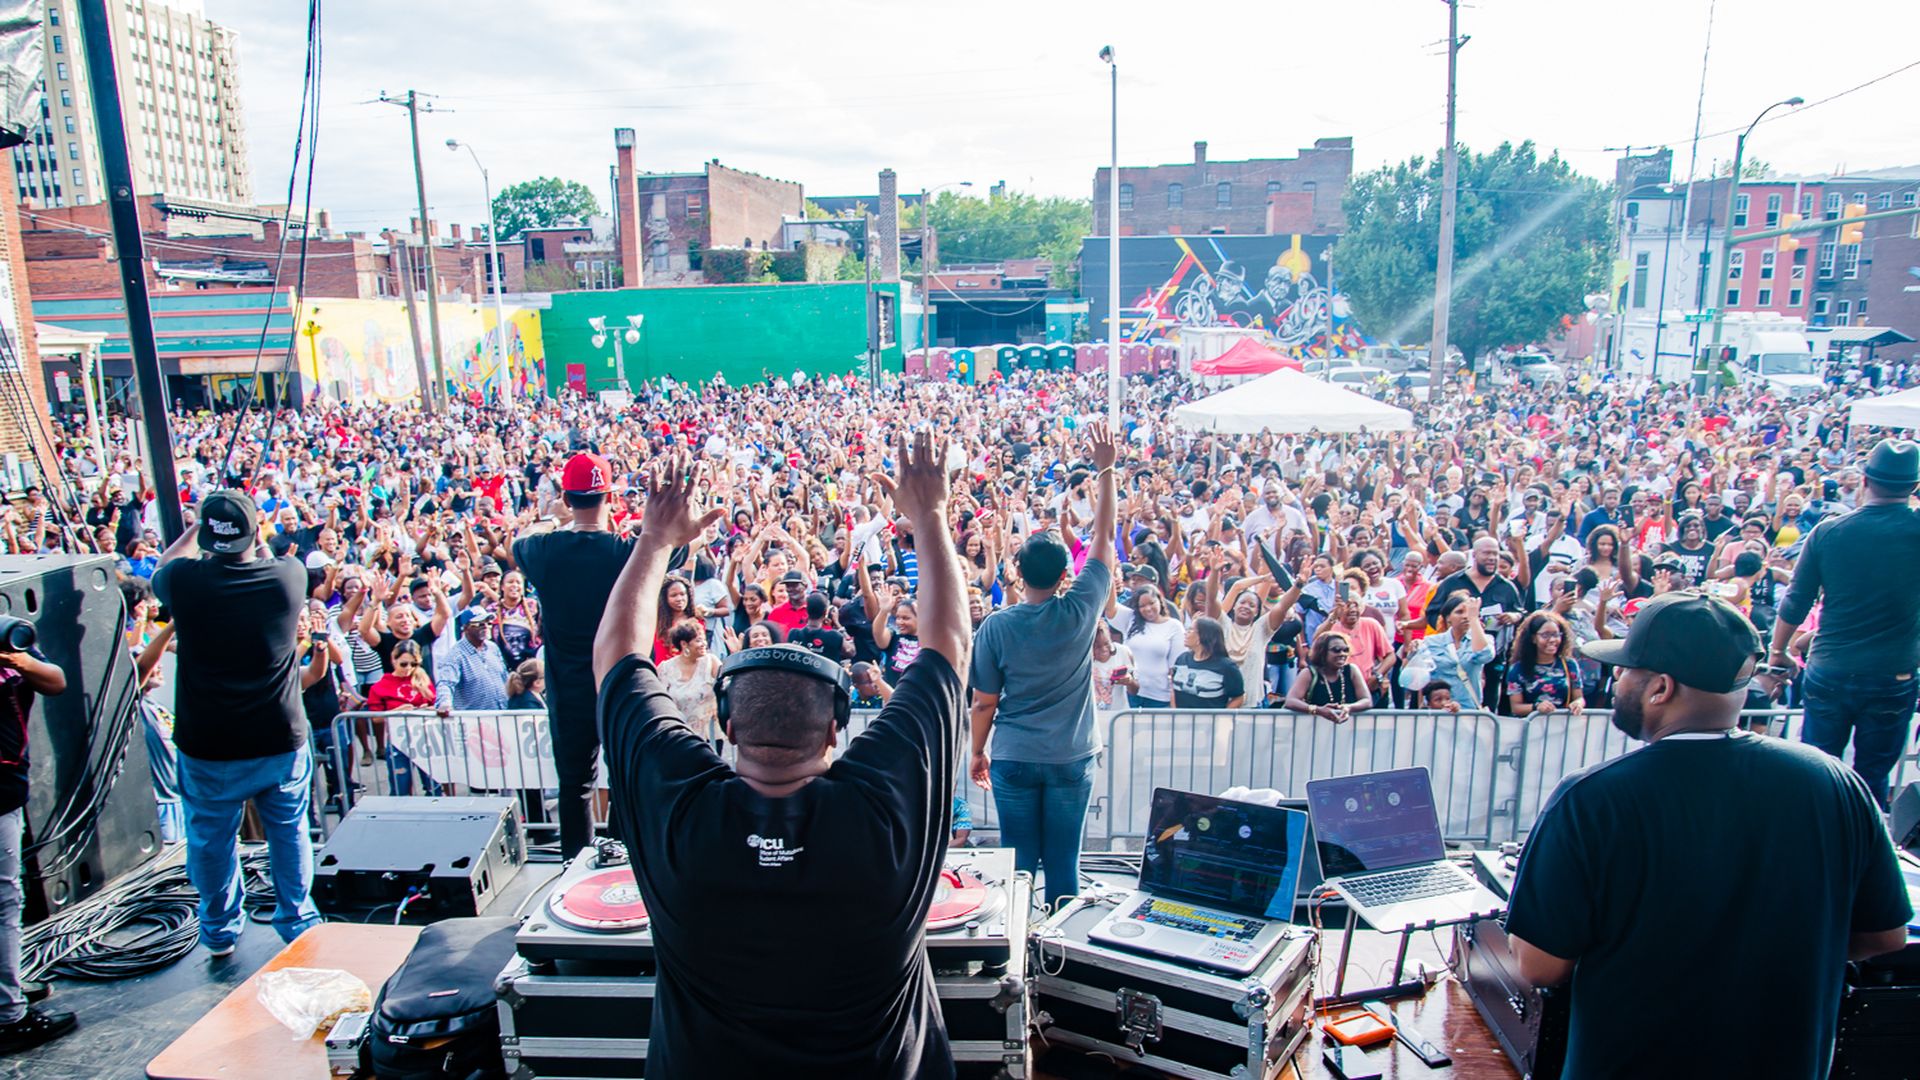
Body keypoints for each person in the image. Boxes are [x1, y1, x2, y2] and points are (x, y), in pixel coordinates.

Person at [590, 435, 970, 1079]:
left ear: (729, 727)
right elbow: (951, 647)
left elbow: (615, 661)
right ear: (834, 734)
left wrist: (654, 540)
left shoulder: (681, 806)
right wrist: (930, 515)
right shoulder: (881, 807)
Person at [1506, 591, 1912, 1078]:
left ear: (1660, 688)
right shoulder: (1835, 781)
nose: (1616, 681)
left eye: (1627, 670)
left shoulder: (1592, 799)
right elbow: (1886, 936)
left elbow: (1538, 967)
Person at [150, 492, 322, 956]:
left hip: (210, 739)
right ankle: (298, 920)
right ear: (254, 532)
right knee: (288, 831)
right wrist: (257, 530)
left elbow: (164, 565)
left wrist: (196, 528)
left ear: (206, 536)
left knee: (211, 839)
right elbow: (268, 554)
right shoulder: (287, 577)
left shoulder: (185, 583)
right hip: (278, 734)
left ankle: (220, 930)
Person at [968, 423, 1118, 910]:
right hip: (1071, 757)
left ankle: (1015, 957)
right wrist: (1106, 469)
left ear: (1016, 571)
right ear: (1062, 575)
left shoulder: (996, 626)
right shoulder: (1080, 608)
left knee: (1018, 864)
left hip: (1013, 754)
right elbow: (1104, 538)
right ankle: (1057, 957)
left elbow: (984, 701)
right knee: (1063, 863)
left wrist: (976, 751)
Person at [1765, 438, 1920, 808]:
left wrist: (1778, 651)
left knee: (1817, 771)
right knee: (1872, 778)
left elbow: (1796, 600)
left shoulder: (1829, 532)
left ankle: (1813, 853)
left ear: (1864, 480)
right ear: (1914, 487)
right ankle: (1865, 855)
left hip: (1832, 668)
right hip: (1893, 674)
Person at [511, 452, 636, 854]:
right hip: (617, 682)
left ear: (566, 499)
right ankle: (618, 860)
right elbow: (677, 550)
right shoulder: (624, 550)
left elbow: (517, 541)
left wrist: (551, 516)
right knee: (624, 780)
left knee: (574, 786)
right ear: (610, 498)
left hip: (567, 688)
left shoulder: (543, 549)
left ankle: (573, 868)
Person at [0, 636, 71, 1053]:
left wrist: (19, 661)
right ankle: (9, 1017)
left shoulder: (10, 643)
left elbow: (56, 681)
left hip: (8, 792)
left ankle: (7, 989)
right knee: (4, 902)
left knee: (9, 899)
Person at [1407, 595, 1496, 712]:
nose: (1465, 616)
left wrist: (1474, 619)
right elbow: (1415, 677)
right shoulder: (1431, 642)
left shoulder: (1483, 639)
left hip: (1467, 710)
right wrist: (1412, 651)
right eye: (1459, 612)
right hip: (1437, 711)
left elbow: (1485, 654)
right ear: (1448, 618)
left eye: (1469, 612)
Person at [1504, 611, 1585, 717]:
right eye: (1545, 635)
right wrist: (1536, 707)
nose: (1552, 640)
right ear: (1533, 638)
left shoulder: (1569, 664)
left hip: (1561, 725)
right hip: (1531, 726)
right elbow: (1516, 707)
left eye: (1556, 635)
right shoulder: (1518, 669)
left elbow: (1579, 697)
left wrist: (1578, 703)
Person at [1285, 630, 1371, 723]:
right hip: (1314, 730)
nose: (1342, 654)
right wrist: (1318, 710)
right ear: (1322, 652)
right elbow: (1291, 701)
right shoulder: (1309, 673)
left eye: (1346, 649)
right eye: (1336, 650)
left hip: (1348, 729)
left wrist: (1348, 707)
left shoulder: (1352, 670)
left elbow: (1367, 700)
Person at [658, 619, 722, 743]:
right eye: (698, 640)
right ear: (684, 644)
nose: (704, 644)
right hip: (677, 736)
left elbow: (729, 684)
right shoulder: (665, 668)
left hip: (709, 736)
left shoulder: (711, 662)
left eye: (704, 639)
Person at [439, 607, 511, 712]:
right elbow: (446, 683)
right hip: (474, 720)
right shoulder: (456, 655)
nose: (486, 627)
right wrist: (444, 704)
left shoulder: (493, 648)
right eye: (480, 624)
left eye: (488, 623)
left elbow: (504, 677)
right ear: (466, 627)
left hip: (502, 714)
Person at [1170, 616, 1245, 709]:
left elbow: (1238, 697)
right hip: (1181, 720)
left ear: (1202, 636)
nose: (1186, 633)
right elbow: (1173, 687)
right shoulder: (1182, 659)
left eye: (1190, 630)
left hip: (1210, 721)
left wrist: (1220, 717)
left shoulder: (1227, 667)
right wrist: (1174, 713)